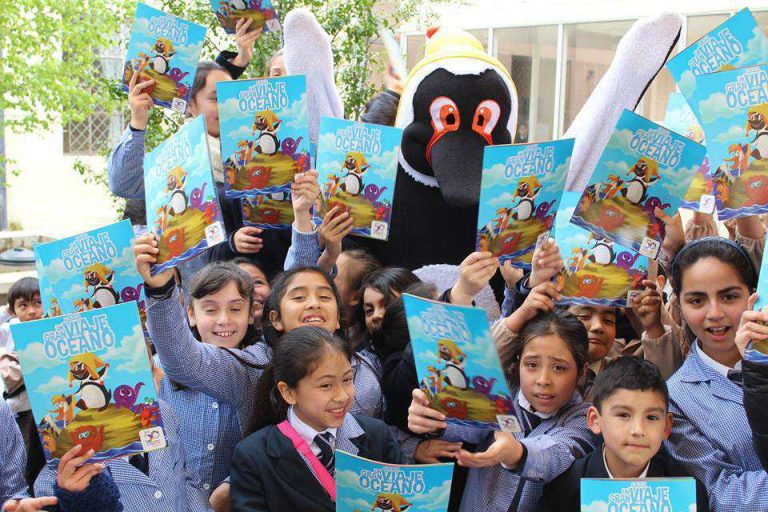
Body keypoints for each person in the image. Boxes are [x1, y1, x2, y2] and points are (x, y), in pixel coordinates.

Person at [408, 307, 599, 511]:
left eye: (559, 368)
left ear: (582, 372)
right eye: (532, 365)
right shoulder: (499, 392)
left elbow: (555, 455)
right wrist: (433, 419)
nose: (543, 380)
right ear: (517, 364)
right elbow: (466, 422)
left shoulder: (584, 417)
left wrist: (517, 453)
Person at [229, 326, 402, 511]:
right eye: (326, 385)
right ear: (288, 392)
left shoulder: (377, 436)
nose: (342, 396)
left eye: (347, 380)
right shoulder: (254, 455)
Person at [665, 237, 768, 510]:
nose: (715, 313)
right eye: (697, 300)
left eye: (729, 296)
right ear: (681, 307)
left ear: (753, 297)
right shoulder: (675, 398)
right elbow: (718, 491)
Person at [539, 356, 708, 511]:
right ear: (595, 420)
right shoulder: (564, 489)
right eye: (623, 415)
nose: (638, 430)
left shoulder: (688, 493)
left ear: (666, 426)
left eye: (651, 417)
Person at [0, 278, 46, 488]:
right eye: (23, 305)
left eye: (38, 303)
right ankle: (23, 491)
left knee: (45, 450)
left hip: (45, 405)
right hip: (21, 406)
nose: (31, 311)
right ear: (13, 310)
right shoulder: (8, 331)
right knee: (22, 452)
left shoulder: (50, 327)